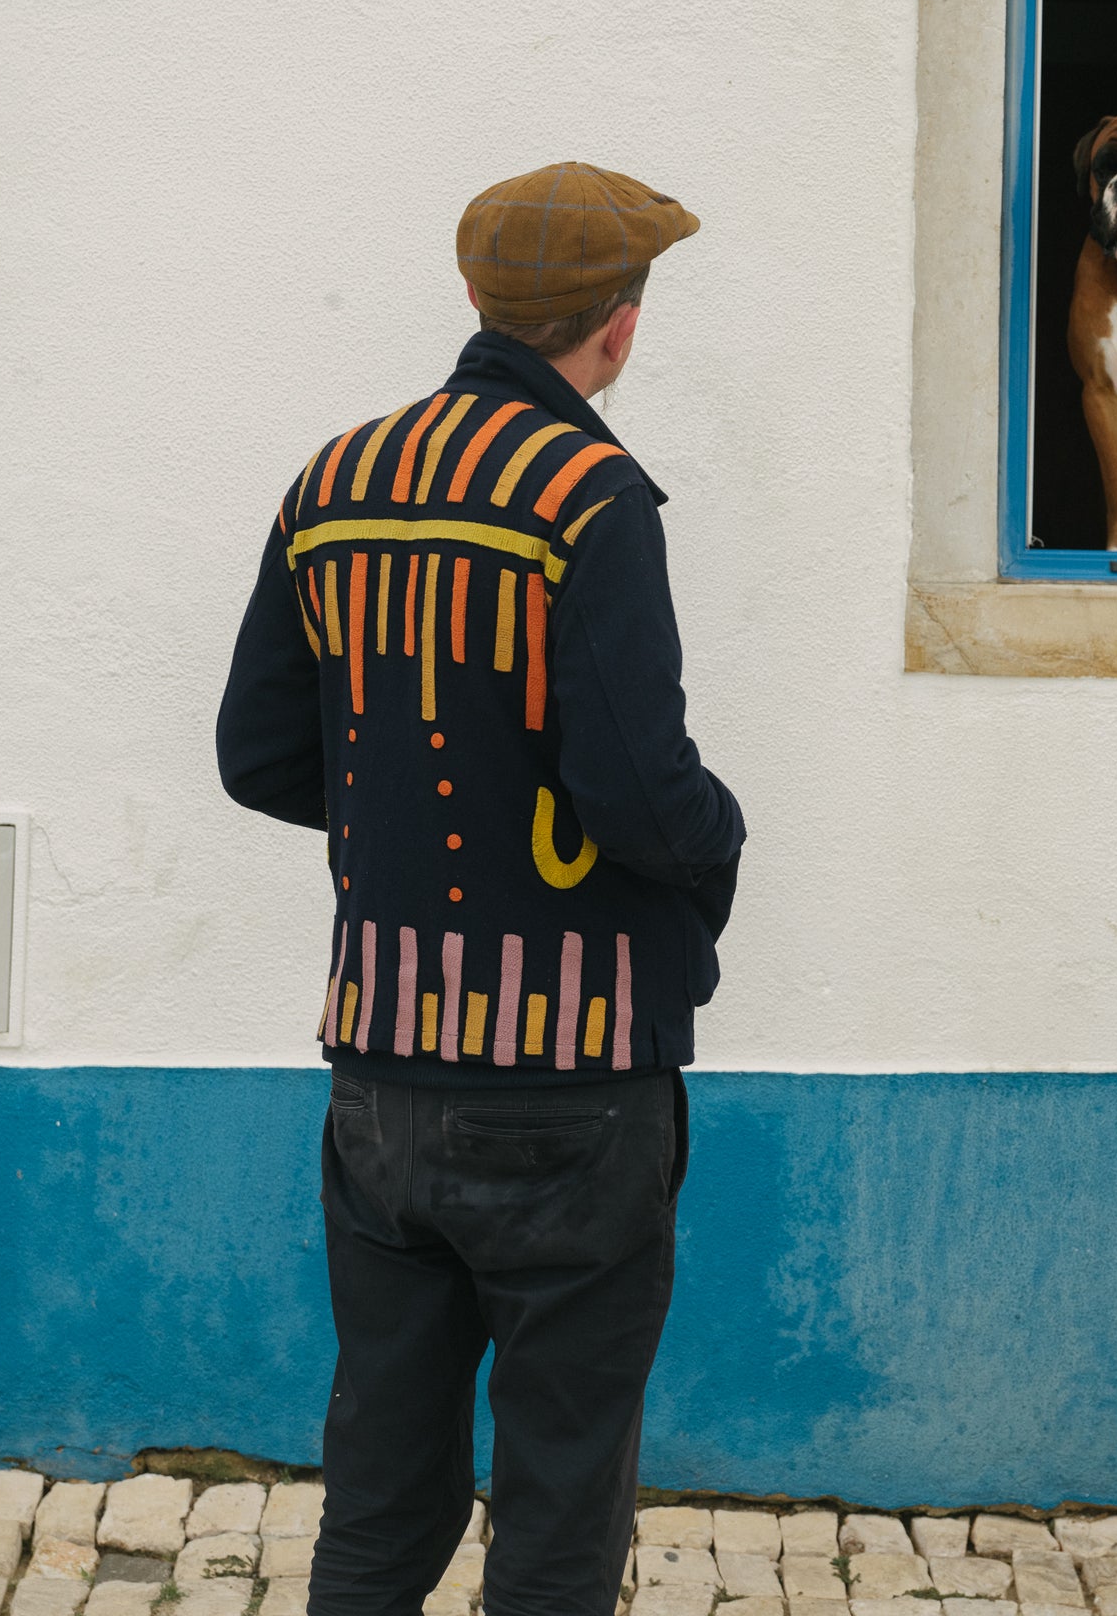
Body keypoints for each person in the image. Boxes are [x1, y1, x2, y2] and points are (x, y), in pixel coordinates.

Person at [216, 162, 744, 1616]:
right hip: (573, 1090)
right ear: (619, 328)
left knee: (380, 1496)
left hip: (378, 1081)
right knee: (561, 1503)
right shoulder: (594, 497)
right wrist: (722, 849)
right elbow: (641, 797)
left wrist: (397, 804)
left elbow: (258, 752)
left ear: (474, 300)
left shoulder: (334, 480)